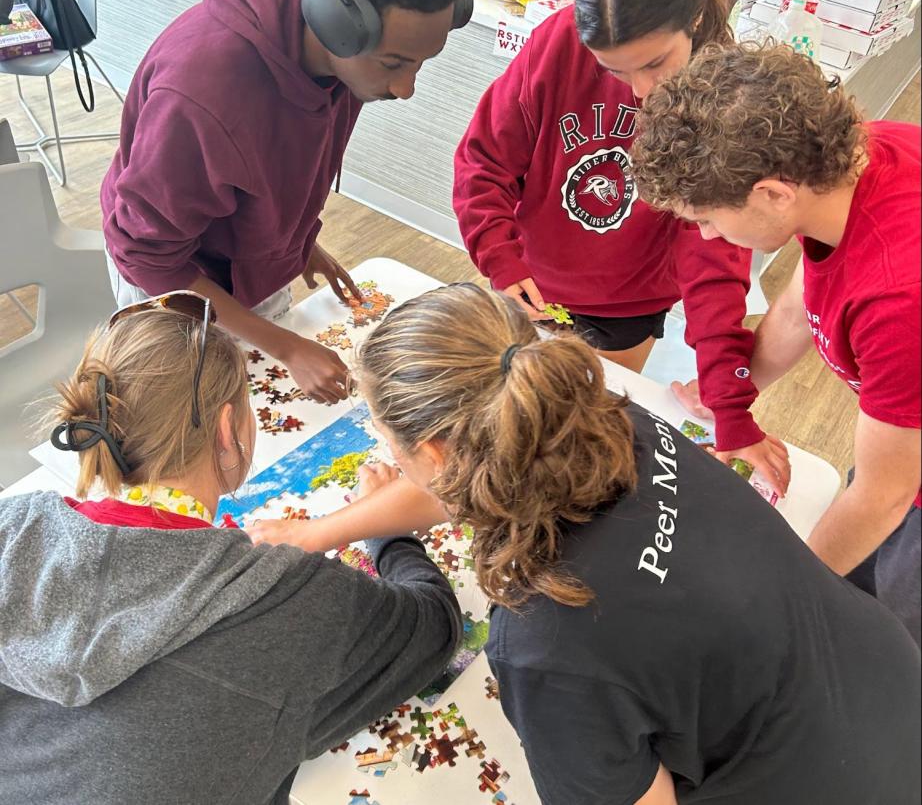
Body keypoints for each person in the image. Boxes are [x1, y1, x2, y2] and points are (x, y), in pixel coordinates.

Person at [250, 283, 920, 805]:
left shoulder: (548, 647)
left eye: (384, 435)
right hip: (887, 688)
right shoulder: (609, 418)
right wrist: (335, 529)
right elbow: (476, 467)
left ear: (429, 451)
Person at [0, 294, 461, 805]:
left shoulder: (12, 523)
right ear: (227, 429)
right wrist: (383, 528)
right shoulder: (294, 599)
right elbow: (433, 627)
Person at [630, 41, 921, 646]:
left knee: (900, 616)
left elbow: (884, 495)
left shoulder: (900, 301)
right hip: (899, 454)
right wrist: (735, 397)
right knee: (857, 572)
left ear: (773, 193)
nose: (706, 233)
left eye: (708, 216)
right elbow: (801, 304)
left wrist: (779, 598)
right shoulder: (862, 156)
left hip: (904, 486)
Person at [452, 0, 792, 494]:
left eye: (655, 63)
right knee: (514, 423)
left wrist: (728, 397)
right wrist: (499, 255)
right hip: (531, 284)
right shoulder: (557, 43)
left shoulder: (724, 100)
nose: (639, 90)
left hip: (628, 302)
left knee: (580, 434)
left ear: (695, 20)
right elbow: (485, 160)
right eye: (611, 68)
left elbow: (714, 256)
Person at [101, 0, 472, 405]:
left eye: (419, 63)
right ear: (333, 20)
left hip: (247, 268)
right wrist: (286, 347)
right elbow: (147, 256)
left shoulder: (341, 65)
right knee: (185, 418)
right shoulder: (200, 92)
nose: (405, 89)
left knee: (251, 409)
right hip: (174, 283)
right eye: (393, 64)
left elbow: (272, 169)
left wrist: (295, 243)